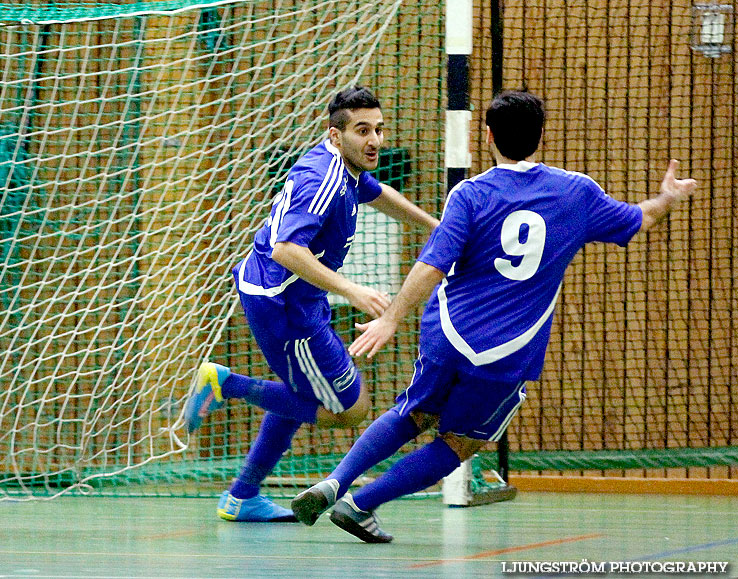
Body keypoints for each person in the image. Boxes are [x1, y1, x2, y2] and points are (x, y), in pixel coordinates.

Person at [289, 90, 698, 542]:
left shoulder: (469, 193)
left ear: (488, 137)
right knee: (460, 442)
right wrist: (668, 198)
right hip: (508, 351)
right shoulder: (574, 192)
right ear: (541, 135)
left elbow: (431, 265)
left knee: (412, 412)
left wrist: (392, 318)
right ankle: (361, 504)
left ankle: (336, 480)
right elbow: (640, 219)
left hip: (448, 333)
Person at [183, 86, 440, 522]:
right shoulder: (323, 180)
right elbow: (286, 249)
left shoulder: (348, 169)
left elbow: (380, 194)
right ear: (336, 136)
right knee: (349, 410)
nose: (374, 139)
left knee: (302, 393)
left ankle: (242, 494)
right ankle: (227, 385)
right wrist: (353, 290)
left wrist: (438, 227)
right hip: (283, 306)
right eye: (362, 130)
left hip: (295, 297)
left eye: (378, 129)